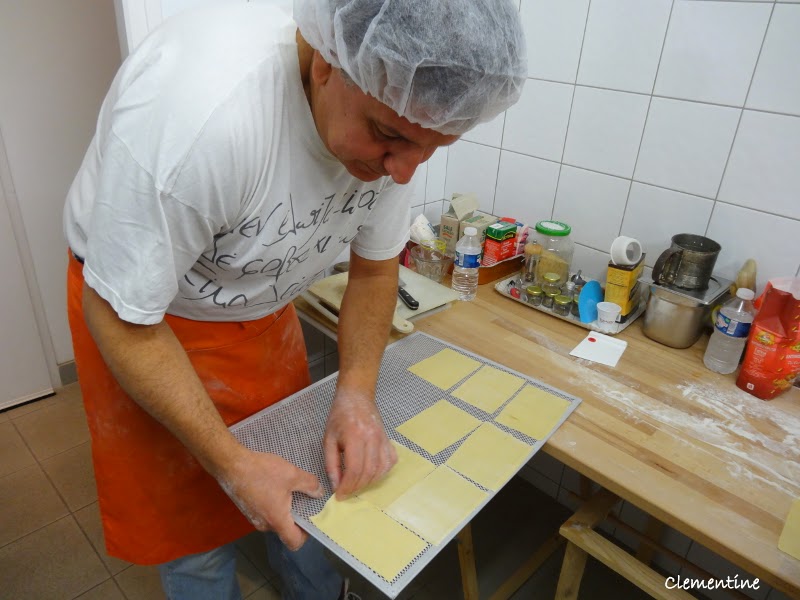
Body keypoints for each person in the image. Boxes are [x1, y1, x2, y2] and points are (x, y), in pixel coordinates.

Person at [63, 0, 526, 598]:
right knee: (194, 535)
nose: (405, 172)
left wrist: (356, 395)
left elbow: (374, 273)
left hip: (259, 313)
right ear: (327, 65)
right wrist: (232, 465)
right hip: (143, 321)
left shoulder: (392, 123)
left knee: (305, 486)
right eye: (389, 136)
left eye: (433, 147)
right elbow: (122, 320)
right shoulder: (200, 118)